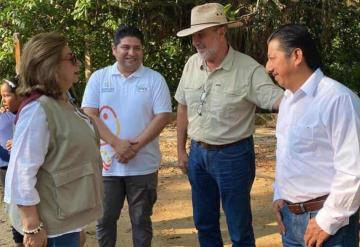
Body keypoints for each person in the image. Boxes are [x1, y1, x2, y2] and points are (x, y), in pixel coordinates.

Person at [175, 3, 283, 246]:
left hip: (233, 157)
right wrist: (182, 150)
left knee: (239, 227)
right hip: (197, 155)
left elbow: (278, 100)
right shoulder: (192, 63)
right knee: (204, 222)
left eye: (201, 34)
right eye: (194, 36)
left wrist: (315, 97)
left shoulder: (249, 69)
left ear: (221, 32)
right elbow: (183, 106)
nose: (196, 41)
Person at [4, 32, 103, 247]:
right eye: (71, 57)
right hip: (50, 228)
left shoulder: (63, 102)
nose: (76, 63)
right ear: (49, 65)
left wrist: (77, 226)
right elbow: (20, 173)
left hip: (66, 219)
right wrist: (32, 226)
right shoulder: (38, 111)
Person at [266, 24, 360, 247]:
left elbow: (353, 169)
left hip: (328, 224)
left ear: (297, 55)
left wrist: (327, 221)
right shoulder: (288, 100)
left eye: (272, 58)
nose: (268, 67)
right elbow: (286, 154)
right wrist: (279, 195)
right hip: (290, 219)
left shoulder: (337, 99)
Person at [82, 25, 172, 247]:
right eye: (126, 47)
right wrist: (117, 144)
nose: (132, 53)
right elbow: (89, 113)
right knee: (105, 220)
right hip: (107, 166)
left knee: (141, 220)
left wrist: (134, 147)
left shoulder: (154, 79)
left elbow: (163, 116)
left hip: (143, 167)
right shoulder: (99, 78)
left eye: (137, 48)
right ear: (114, 49)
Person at [0, 76, 24, 247]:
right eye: (2, 96)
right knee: (13, 207)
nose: (3, 99)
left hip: (23, 170)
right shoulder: (8, 115)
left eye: (7, 95)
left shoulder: (27, 114)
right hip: (6, 169)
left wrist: (18, 143)